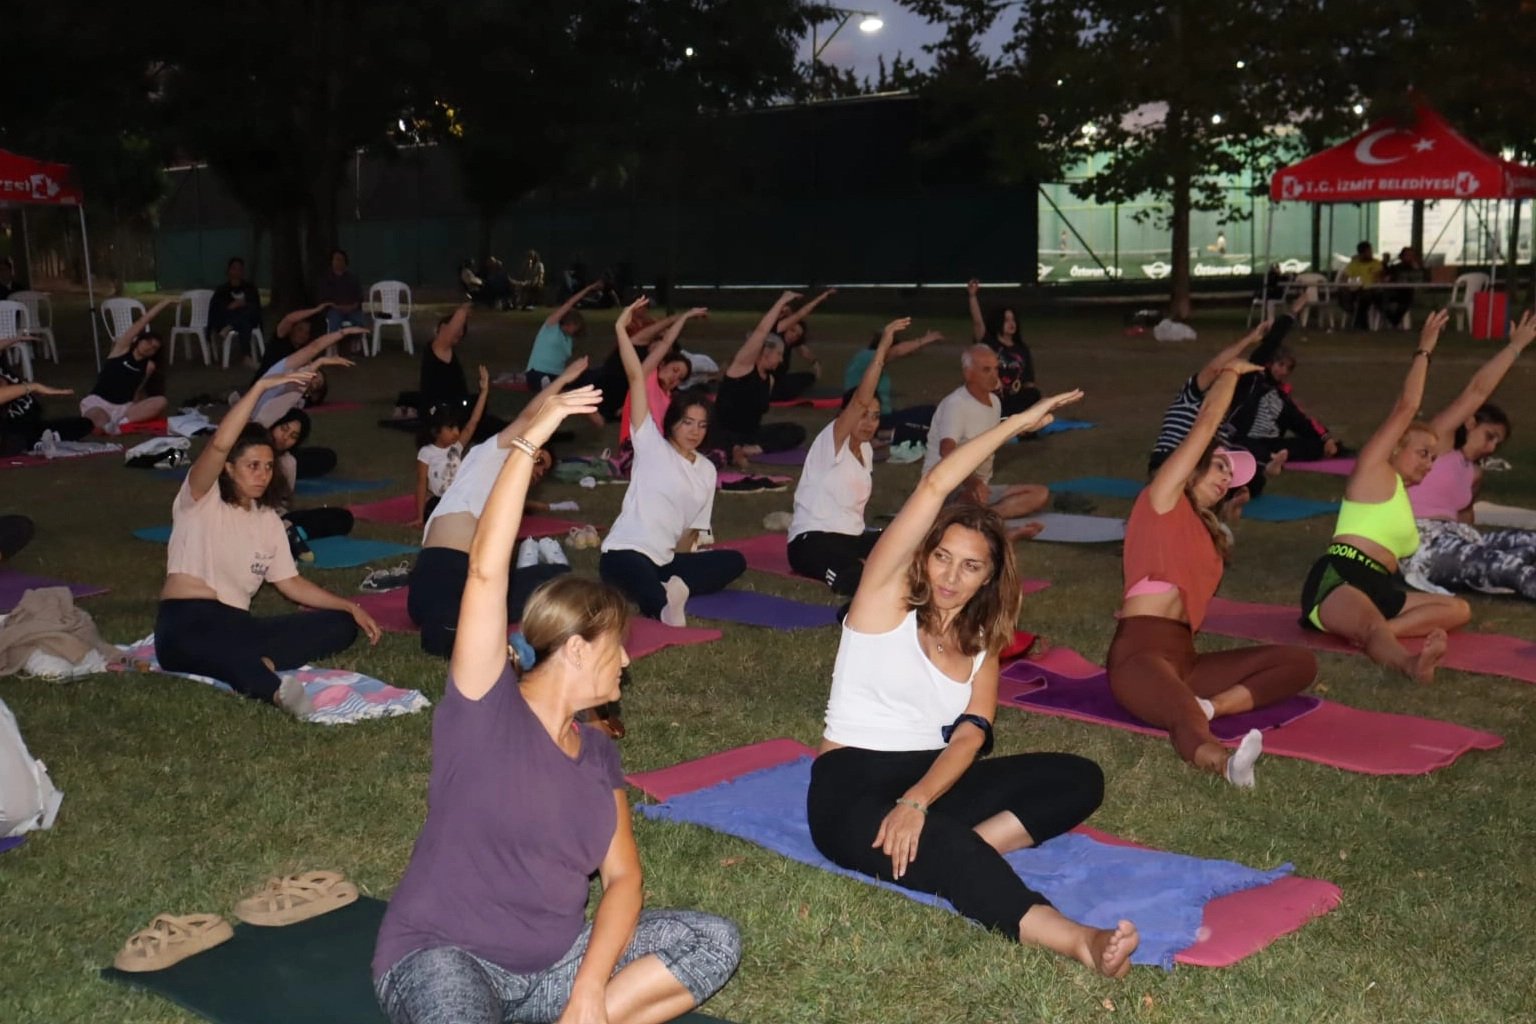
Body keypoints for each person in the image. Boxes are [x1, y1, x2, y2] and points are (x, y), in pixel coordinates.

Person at [372, 386, 741, 1024]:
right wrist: (527, 442)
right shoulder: (486, 708)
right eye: (617, 647)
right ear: (574, 649)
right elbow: (485, 573)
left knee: (713, 940)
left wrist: (588, 991)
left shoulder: (597, 752)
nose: (627, 661)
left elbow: (623, 880)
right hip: (445, 956)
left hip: (555, 972)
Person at [805, 386, 1141, 977]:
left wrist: (917, 800)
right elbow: (935, 486)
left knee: (1078, 777)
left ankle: (959, 847)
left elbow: (970, 735)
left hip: (932, 777)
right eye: (942, 557)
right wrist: (1015, 424)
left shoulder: (983, 641)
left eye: (970, 566)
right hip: (849, 787)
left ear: (988, 577)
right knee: (948, 847)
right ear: (923, 555)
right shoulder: (880, 603)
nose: (950, 577)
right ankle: (1078, 940)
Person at [1108, 360, 1318, 785]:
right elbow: (1205, 424)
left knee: (1299, 662)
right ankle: (1224, 764)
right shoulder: (1160, 499)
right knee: (1181, 711)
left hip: (1186, 659)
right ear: (1195, 465)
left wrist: (1225, 519)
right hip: (1139, 653)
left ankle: (1212, 707)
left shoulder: (1205, 531)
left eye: (1231, 475)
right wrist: (1230, 375)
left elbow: (1197, 555)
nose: (1227, 479)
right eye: (1221, 466)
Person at [153, 369, 381, 717]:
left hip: (237, 626)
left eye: (269, 467)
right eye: (253, 466)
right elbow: (219, 444)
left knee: (340, 624)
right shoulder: (200, 498)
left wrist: (349, 606)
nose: (262, 475)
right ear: (229, 468)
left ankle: (261, 662)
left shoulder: (268, 520)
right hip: (188, 623)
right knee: (229, 656)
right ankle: (275, 692)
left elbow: (290, 583)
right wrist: (260, 387)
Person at [1299, 310, 1471, 682]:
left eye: (1433, 457)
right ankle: (1409, 664)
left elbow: (1474, 397)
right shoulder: (1373, 473)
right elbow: (1407, 407)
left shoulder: (1401, 498)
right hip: (1342, 574)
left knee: (1459, 609)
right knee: (1372, 626)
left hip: (1383, 586)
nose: (1429, 463)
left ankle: (1379, 632)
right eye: (1422, 453)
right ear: (1394, 448)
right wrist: (1424, 349)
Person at [407, 366, 586, 658]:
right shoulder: (488, 455)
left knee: (559, 578)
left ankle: (528, 573)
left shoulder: (504, 492)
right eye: (539, 460)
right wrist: (563, 381)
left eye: (544, 471)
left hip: (466, 586)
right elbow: (528, 418)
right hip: (446, 572)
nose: (538, 471)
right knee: (450, 633)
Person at [599, 298, 746, 625]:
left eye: (702, 425)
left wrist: (686, 563)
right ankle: (664, 608)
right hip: (625, 551)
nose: (695, 431)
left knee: (734, 561)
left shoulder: (706, 470)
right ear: (673, 422)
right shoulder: (651, 444)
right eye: (688, 423)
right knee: (639, 575)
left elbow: (691, 532)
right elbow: (636, 377)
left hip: (665, 561)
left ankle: (670, 587)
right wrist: (621, 328)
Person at [1400, 311, 1536, 600]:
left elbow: (1465, 521)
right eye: (1490, 436)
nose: (1491, 448)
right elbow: (1477, 391)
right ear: (1471, 422)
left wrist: (1477, 556)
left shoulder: (1473, 473)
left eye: (1497, 443)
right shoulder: (1437, 444)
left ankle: (1494, 568)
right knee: (1512, 569)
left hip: (1459, 540)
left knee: (1527, 546)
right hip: (1423, 543)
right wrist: (1515, 347)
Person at [787, 318, 906, 596]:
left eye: (875, 417)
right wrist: (882, 350)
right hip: (812, 540)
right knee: (855, 577)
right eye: (863, 415)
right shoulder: (831, 440)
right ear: (846, 414)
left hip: (852, 539)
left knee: (910, 548)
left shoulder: (865, 449)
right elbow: (861, 399)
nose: (870, 423)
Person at [921, 346, 1050, 541]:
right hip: (947, 487)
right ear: (968, 373)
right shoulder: (956, 404)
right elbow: (946, 451)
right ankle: (994, 528)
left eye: (996, 369)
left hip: (980, 488)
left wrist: (1024, 427)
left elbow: (993, 435)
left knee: (1040, 494)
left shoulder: (994, 402)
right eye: (986, 370)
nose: (994, 375)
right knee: (970, 501)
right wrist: (973, 483)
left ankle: (984, 518)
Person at [709, 292, 808, 458]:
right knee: (721, 438)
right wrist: (782, 301)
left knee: (797, 431)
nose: (781, 360)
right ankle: (735, 448)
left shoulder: (770, 380)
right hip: (724, 432)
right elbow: (762, 331)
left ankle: (753, 449)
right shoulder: (742, 367)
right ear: (766, 352)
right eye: (779, 354)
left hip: (750, 436)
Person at [267, 407, 355, 560]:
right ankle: (280, 536)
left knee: (343, 518)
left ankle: (289, 535)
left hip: (276, 518)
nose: (285, 437)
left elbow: (284, 502)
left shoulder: (288, 463)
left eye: (293, 436)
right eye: (283, 429)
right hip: (249, 518)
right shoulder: (251, 451)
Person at [411, 366, 491, 528]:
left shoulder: (456, 447)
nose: (456, 432)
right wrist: (419, 517)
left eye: (456, 427)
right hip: (441, 501)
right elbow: (421, 483)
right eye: (450, 428)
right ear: (436, 431)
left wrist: (484, 392)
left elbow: (473, 421)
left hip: (461, 496)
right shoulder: (426, 453)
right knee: (436, 513)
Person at [80, 299, 174, 434]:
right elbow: (141, 322)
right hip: (100, 402)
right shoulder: (121, 350)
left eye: (154, 348)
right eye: (148, 342)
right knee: (97, 422)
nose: (149, 347)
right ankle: (108, 425)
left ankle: (120, 423)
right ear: (139, 340)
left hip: (124, 407)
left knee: (161, 401)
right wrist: (163, 304)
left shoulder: (149, 366)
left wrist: (138, 406)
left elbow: (137, 389)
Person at [840, 325, 942, 445]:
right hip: (872, 419)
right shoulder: (868, 357)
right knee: (925, 430)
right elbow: (897, 352)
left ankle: (885, 434)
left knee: (930, 412)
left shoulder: (870, 362)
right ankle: (882, 435)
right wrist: (925, 340)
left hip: (886, 416)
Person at [249, 325, 364, 430]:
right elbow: (315, 347)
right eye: (315, 374)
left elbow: (314, 350)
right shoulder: (285, 370)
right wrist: (343, 333)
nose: (313, 378)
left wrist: (320, 362)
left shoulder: (293, 393)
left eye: (315, 384)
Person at [968, 279, 1039, 415]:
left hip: (1012, 397)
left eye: (1013, 320)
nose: (1011, 323)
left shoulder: (1022, 349)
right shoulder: (989, 344)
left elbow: (1029, 382)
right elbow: (977, 322)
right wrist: (972, 296)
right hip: (992, 395)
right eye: (1006, 320)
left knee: (1033, 394)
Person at [525, 282, 604, 393]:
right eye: (574, 326)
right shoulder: (551, 326)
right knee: (540, 379)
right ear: (568, 323)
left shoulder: (569, 340)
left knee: (592, 374)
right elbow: (569, 303)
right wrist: (588, 289)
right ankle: (545, 385)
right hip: (537, 372)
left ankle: (550, 386)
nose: (575, 330)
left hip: (557, 375)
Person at [0, 370, 90, 457]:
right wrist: (34, 387)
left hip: (29, 421)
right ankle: (35, 443)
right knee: (16, 439)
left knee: (84, 424)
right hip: (12, 426)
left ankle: (40, 440)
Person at [768, 287, 835, 402]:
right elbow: (800, 314)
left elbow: (802, 349)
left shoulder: (791, 342)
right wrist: (821, 298)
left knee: (808, 377)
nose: (794, 336)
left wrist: (815, 362)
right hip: (766, 383)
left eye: (797, 335)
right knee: (786, 391)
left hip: (779, 380)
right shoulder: (775, 334)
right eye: (792, 331)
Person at [208, 257, 265, 368]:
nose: (237, 271)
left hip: (247, 319)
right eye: (234, 268)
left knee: (246, 317)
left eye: (239, 269)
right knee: (244, 323)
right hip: (228, 319)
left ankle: (231, 326)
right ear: (228, 271)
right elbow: (216, 309)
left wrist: (242, 304)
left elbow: (256, 308)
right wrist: (231, 306)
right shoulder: (222, 290)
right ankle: (246, 357)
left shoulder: (250, 288)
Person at [254, 302, 330, 378]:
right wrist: (316, 310)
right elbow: (289, 319)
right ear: (292, 329)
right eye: (300, 329)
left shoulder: (302, 350)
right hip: (264, 381)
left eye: (306, 332)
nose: (303, 335)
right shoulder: (280, 339)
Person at [316, 249, 367, 336]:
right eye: (337, 259)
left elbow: (359, 297)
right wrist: (338, 307)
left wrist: (353, 306)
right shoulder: (325, 279)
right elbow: (324, 299)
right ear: (331, 261)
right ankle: (334, 342)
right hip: (334, 310)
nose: (339, 262)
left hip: (352, 310)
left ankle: (356, 342)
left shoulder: (352, 278)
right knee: (334, 319)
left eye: (342, 259)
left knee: (360, 320)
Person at [1342, 242, 1386, 330]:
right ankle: (1358, 320)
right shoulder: (1354, 264)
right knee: (1345, 295)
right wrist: (1347, 286)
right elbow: (1345, 277)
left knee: (1365, 298)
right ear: (1361, 253)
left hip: (1372, 290)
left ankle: (1359, 324)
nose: (1371, 253)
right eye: (1368, 252)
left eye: (1371, 251)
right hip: (1355, 290)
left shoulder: (1376, 263)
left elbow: (1379, 277)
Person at [1381, 247, 1425, 330]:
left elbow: (1421, 280)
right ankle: (1393, 322)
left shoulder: (1418, 268)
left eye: (1412, 255)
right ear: (1402, 256)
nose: (1410, 257)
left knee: (1405, 301)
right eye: (1407, 255)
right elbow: (1386, 279)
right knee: (1381, 300)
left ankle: (1394, 322)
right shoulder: (1395, 268)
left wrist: (1417, 270)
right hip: (1393, 292)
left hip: (1407, 293)